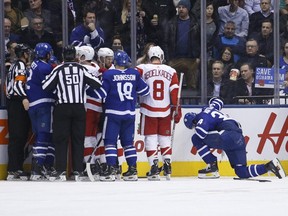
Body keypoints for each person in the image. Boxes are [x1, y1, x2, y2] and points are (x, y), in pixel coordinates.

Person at [183, 97, 286, 179]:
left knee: (195, 138)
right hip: (239, 138)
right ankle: (269, 166)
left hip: (227, 136)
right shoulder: (210, 109)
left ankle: (212, 166)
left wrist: (197, 128)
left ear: (194, 122)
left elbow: (201, 133)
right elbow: (218, 101)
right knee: (241, 172)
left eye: (193, 126)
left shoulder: (201, 118)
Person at [42, 45, 102, 181]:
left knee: (61, 140)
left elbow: (46, 86)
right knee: (78, 140)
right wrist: (83, 86)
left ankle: (61, 171)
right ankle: (78, 172)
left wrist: (59, 89)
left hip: (62, 107)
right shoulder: (82, 69)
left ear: (63, 56)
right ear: (75, 56)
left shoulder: (58, 69)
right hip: (79, 108)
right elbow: (97, 83)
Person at [93, 50, 150, 181]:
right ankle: (132, 170)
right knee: (128, 143)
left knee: (110, 143)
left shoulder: (109, 74)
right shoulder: (134, 73)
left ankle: (112, 169)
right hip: (129, 114)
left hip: (113, 114)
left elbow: (100, 94)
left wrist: (89, 89)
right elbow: (145, 90)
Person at [136, 46, 182, 180]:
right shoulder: (171, 70)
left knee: (150, 138)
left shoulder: (142, 68)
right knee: (164, 138)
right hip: (165, 110)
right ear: (161, 56)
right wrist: (177, 110)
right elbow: (175, 92)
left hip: (148, 108)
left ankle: (154, 167)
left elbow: (131, 78)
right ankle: (167, 164)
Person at [26, 42, 56, 180]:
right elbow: (50, 86)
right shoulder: (45, 67)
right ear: (47, 54)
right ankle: (38, 169)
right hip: (44, 105)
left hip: (33, 105)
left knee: (43, 136)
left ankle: (42, 167)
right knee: (44, 136)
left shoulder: (33, 65)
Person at [5, 43, 32, 180]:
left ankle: (14, 168)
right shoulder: (20, 66)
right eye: (27, 52)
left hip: (13, 103)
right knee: (18, 137)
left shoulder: (14, 66)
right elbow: (18, 84)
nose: (29, 55)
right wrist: (24, 98)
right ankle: (14, 169)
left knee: (17, 137)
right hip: (17, 104)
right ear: (24, 54)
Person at [163, 0, 201, 90]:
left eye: (183, 7)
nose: (181, 9)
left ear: (188, 9)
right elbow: (165, 42)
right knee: (174, 86)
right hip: (175, 59)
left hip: (191, 59)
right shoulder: (171, 23)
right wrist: (168, 60)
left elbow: (200, 41)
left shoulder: (196, 23)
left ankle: (192, 104)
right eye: (179, 7)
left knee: (192, 86)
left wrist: (198, 57)